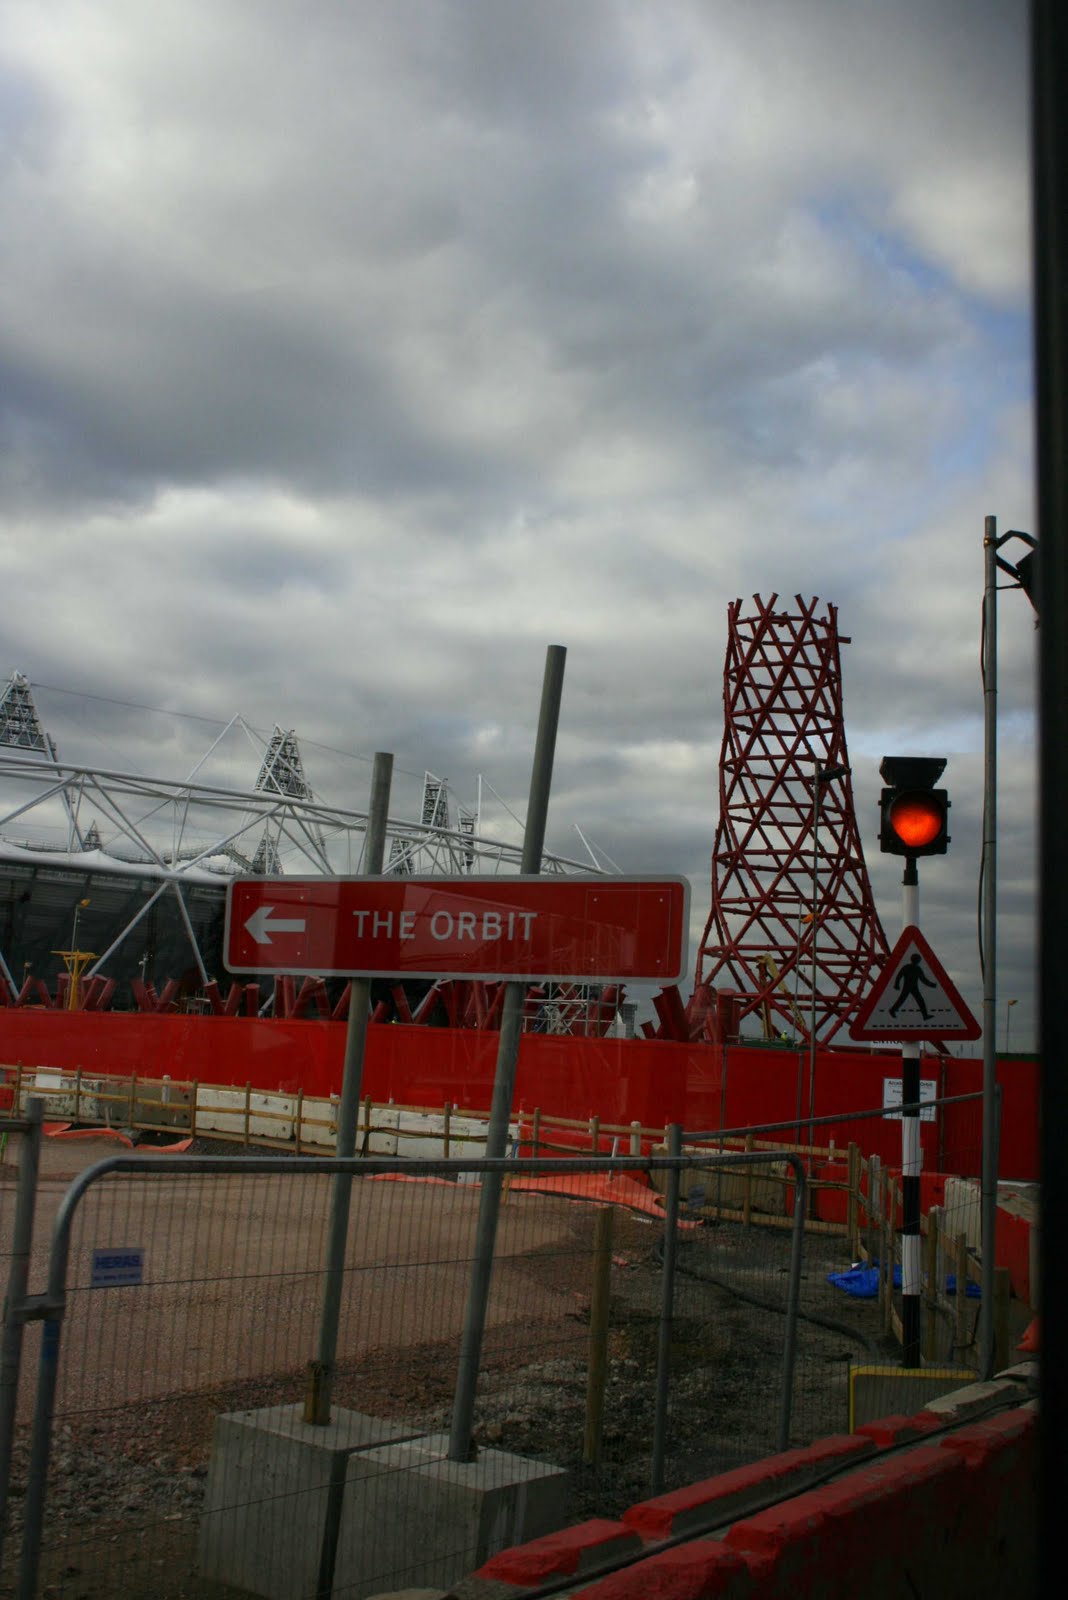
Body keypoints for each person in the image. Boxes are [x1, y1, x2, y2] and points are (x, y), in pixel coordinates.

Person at [889, 954, 936, 1020]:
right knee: (903, 999)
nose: (919, 961)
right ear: (917, 960)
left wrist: (932, 985)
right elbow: (899, 976)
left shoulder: (915, 968)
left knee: (918, 1000)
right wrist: (896, 985)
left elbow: (923, 979)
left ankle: (925, 1016)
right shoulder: (912, 968)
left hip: (913, 987)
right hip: (908, 987)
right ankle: (892, 1010)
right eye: (918, 959)